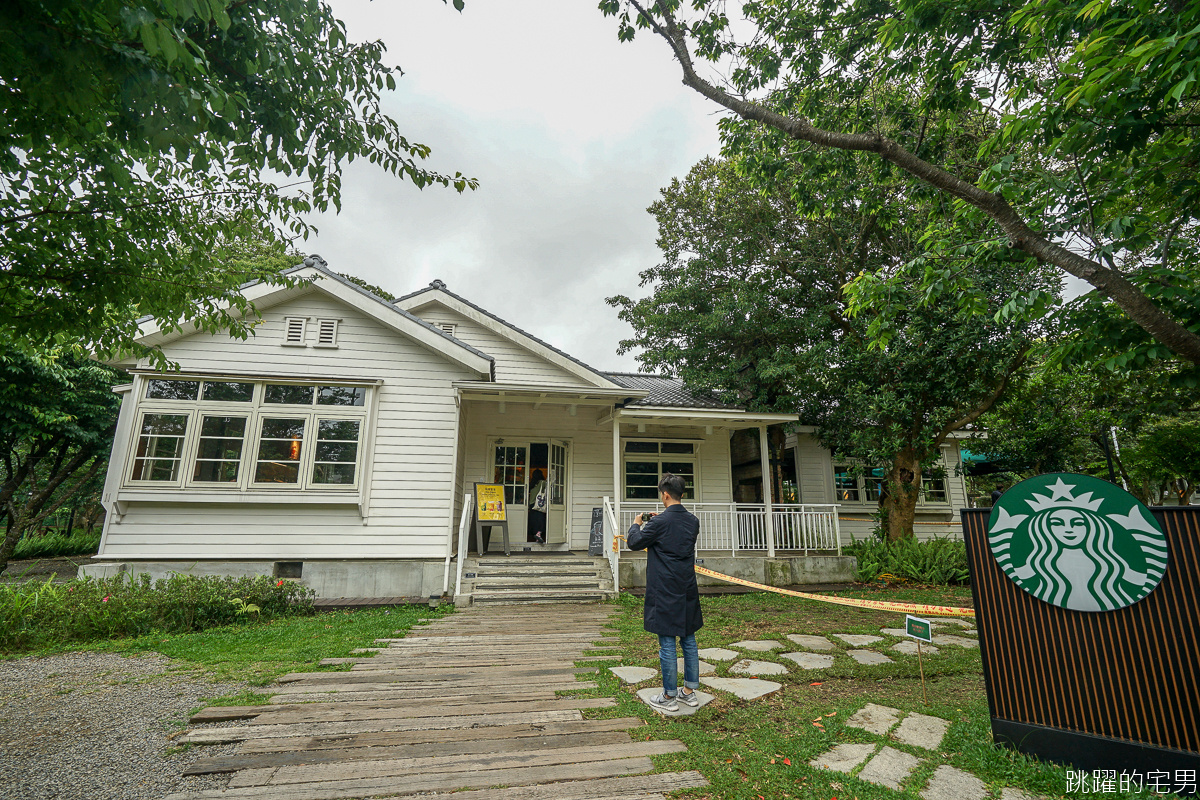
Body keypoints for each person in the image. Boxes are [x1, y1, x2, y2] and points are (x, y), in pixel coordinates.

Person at [627, 473, 703, 712]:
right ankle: (689, 692)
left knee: (667, 641)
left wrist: (637, 523)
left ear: (666, 494)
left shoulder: (658, 523)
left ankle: (669, 696)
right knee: (688, 638)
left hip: (664, 588)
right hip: (687, 586)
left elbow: (634, 542)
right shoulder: (693, 521)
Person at [528, 468, 547, 543]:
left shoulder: (532, 483)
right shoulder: (542, 482)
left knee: (534, 520)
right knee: (540, 519)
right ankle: (538, 534)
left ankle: (536, 535)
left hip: (532, 504)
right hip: (539, 504)